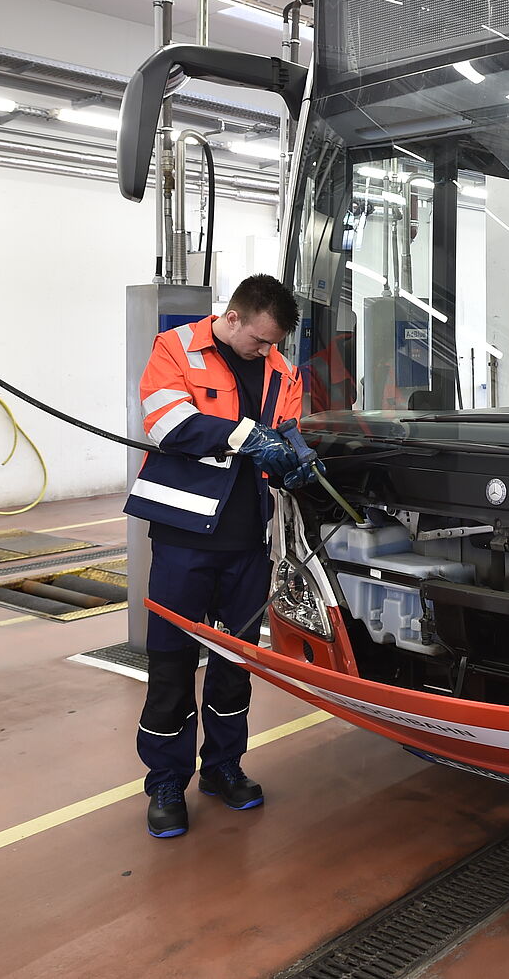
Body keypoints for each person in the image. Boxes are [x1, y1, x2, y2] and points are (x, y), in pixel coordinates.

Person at [123, 274, 306, 839]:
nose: (265, 351)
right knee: (173, 661)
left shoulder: (282, 370)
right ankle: (165, 781)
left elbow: (290, 431)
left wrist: (297, 458)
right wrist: (246, 437)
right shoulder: (174, 349)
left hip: (247, 542)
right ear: (232, 318)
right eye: (258, 340)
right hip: (184, 540)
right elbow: (167, 422)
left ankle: (223, 766)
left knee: (235, 662)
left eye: (273, 343)